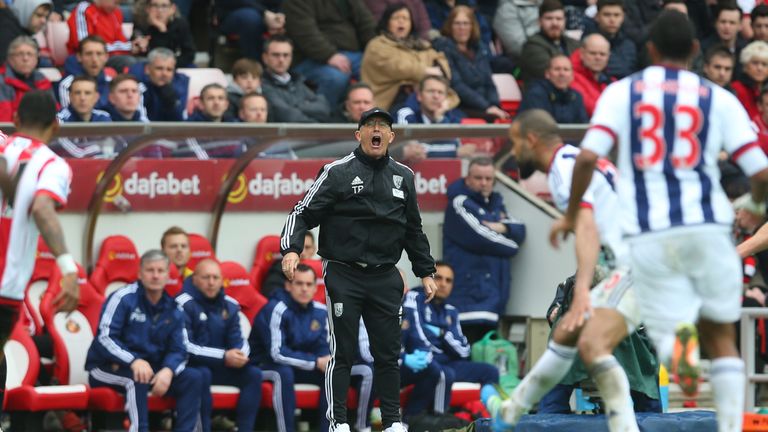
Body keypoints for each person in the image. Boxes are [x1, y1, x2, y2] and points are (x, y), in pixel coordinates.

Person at [549, 11, 768, 432]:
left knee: (611, 320)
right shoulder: (718, 99)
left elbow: (588, 158)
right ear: (694, 51)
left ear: (648, 50)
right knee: (721, 338)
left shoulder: (623, 93)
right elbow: (759, 172)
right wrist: (756, 205)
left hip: (646, 229)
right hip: (700, 229)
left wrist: (573, 208)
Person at [491, 109, 661, 431]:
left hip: (637, 265)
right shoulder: (572, 162)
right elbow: (590, 218)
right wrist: (569, 218)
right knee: (568, 334)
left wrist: (582, 290)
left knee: (591, 344)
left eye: (514, 143)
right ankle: (512, 409)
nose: (513, 153)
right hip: (639, 261)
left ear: (531, 139)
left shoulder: (562, 168)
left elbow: (587, 231)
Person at [280, 107, 437, 432]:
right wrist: (292, 249)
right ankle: (339, 422)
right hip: (344, 272)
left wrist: (425, 271)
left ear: (391, 136)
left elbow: (413, 229)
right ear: (359, 134)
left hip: (385, 275)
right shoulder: (337, 171)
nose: (376, 130)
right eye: (370, 126)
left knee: (388, 353)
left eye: (383, 126)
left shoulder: (403, 176)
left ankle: (393, 423)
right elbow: (302, 212)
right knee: (344, 351)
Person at [0, 90, 79, 395]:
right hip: (5, 284)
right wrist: (68, 270)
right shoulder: (52, 165)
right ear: (56, 125)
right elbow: (43, 209)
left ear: (16, 119)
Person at [85, 250, 205, 432]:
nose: (155, 276)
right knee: (137, 378)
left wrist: (168, 370)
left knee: (194, 377)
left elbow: (179, 348)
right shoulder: (123, 298)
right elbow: (105, 337)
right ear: (140, 274)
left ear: (167, 275)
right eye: (150, 270)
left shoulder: (173, 307)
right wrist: (133, 360)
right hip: (105, 367)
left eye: (160, 271)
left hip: (152, 368)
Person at [443, 156, 525, 343]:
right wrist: (511, 243)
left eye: (488, 179)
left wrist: (503, 228)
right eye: (478, 178)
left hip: (493, 297)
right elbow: (482, 238)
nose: (484, 183)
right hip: (469, 299)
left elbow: (520, 229)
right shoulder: (459, 203)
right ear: (468, 179)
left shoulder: (496, 204)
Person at [176, 259, 262, 432]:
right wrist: (224, 356)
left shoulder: (230, 304)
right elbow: (186, 346)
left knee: (253, 374)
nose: (211, 282)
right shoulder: (182, 303)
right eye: (206, 277)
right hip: (194, 366)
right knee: (202, 374)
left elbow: (239, 340)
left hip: (224, 366)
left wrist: (240, 356)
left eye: (215, 277)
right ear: (194, 279)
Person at [402, 261, 499, 413]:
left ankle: (490, 414)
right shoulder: (415, 299)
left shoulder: (451, 311)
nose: (443, 284)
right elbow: (417, 337)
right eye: (438, 278)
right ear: (429, 279)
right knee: (445, 372)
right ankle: (437, 419)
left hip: (448, 361)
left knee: (491, 371)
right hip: (424, 360)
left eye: (448, 280)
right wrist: (445, 341)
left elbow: (465, 351)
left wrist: (442, 334)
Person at [249, 263, 332, 432]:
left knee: (330, 373)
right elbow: (277, 353)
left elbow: (322, 347)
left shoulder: (321, 311)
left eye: (308, 284)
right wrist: (316, 362)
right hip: (263, 364)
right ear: (288, 286)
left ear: (316, 288)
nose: (304, 289)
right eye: (299, 283)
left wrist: (325, 361)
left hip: (298, 364)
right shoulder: (276, 309)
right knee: (283, 373)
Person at [361, 3, 452, 111]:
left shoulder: (421, 45)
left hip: (426, 98)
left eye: (406, 18)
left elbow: (440, 61)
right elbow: (397, 67)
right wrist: (426, 71)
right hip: (390, 102)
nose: (401, 21)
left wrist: (438, 70)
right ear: (387, 22)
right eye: (396, 18)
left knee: (455, 115)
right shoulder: (377, 45)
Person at [284, 0, 376, 105]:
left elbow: (366, 23)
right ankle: (325, 117)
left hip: (352, 53)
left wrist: (376, 49)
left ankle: (376, 116)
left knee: (378, 69)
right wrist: (329, 55)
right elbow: (304, 32)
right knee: (335, 78)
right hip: (309, 57)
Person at [433, 5, 509, 121]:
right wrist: (487, 107)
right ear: (450, 26)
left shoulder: (479, 48)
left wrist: (494, 105)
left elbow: (489, 82)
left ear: (472, 26)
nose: (462, 28)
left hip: (486, 106)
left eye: (466, 23)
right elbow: (457, 85)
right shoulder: (443, 48)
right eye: (457, 23)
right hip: (462, 107)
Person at [261, 35, 330, 123]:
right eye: (276, 55)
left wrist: (295, 107)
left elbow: (323, 109)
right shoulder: (261, 85)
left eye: (286, 55)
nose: (281, 59)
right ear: (265, 58)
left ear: (291, 57)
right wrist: (315, 124)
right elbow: (286, 116)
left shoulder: (298, 81)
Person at [520, 0, 579, 86]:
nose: (554, 23)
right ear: (539, 21)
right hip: (543, 96)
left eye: (559, 19)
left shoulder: (574, 43)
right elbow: (555, 75)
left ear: (565, 21)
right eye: (549, 18)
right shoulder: (532, 46)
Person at [519, 55, 588, 124]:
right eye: (557, 69)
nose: (562, 74)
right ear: (547, 74)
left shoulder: (576, 96)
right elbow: (539, 126)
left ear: (572, 76)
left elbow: (583, 125)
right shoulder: (535, 94)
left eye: (566, 69)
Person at [0, 36, 56, 122]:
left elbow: (53, 113)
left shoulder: (43, 80)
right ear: (10, 58)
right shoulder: (2, 81)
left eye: (30, 54)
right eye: (20, 54)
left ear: (36, 59)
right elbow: (4, 121)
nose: (25, 58)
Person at [131, 0, 196, 67]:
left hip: (174, 63)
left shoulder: (180, 24)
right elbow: (137, 50)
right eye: (155, 5)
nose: (159, 10)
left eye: (164, 6)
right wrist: (138, 48)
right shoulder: (141, 23)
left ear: (172, 9)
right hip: (148, 64)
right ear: (148, 8)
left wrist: (162, 29)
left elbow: (189, 54)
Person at [58, 36, 116, 111]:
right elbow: (67, 118)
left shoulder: (112, 82)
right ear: (79, 57)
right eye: (89, 54)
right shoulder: (67, 85)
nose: (94, 59)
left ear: (106, 57)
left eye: (99, 54)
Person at [583, 0, 636, 80]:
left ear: (623, 17)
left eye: (616, 15)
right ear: (597, 17)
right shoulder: (587, 42)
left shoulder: (629, 44)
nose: (612, 20)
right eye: (607, 15)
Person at [134, 48, 190, 121]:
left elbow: (179, 119)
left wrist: (171, 100)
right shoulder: (137, 83)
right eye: (159, 68)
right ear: (147, 69)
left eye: (169, 69)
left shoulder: (180, 83)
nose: (164, 74)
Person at [67, 0, 132, 57]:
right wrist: (129, 47)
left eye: (119, 3)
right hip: (87, 59)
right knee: (128, 61)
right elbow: (84, 45)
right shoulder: (84, 10)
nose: (117, 6)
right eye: (115, 2)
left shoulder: (116, 13)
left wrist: (133, 46)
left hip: (111, 55)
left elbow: (121, 40)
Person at [261, 232, 316, 298]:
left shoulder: (323, 268)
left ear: (314, 249)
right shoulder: (282, 267)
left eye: (307, 247)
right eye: (300, 247)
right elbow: (271, 291)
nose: (303, 252)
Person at [570, 34, 612, 117]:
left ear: (608, 57)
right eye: (593, 53)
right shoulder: (570, 77)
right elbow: (592, 108)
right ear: (582, 54)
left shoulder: (610, 81)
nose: (598, 57)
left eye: (602, 54)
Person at [0, 0, 52, 64]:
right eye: (39, 15)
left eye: (46, 17)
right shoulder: (5, 31)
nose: (43, 21)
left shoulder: (21, 29)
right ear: (24, 11)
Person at [732, 40, 768, 119]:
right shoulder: (737, 89)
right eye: (755, 63)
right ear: (745, 66)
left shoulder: (765, 90)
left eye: (764, 64)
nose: (759, 68)